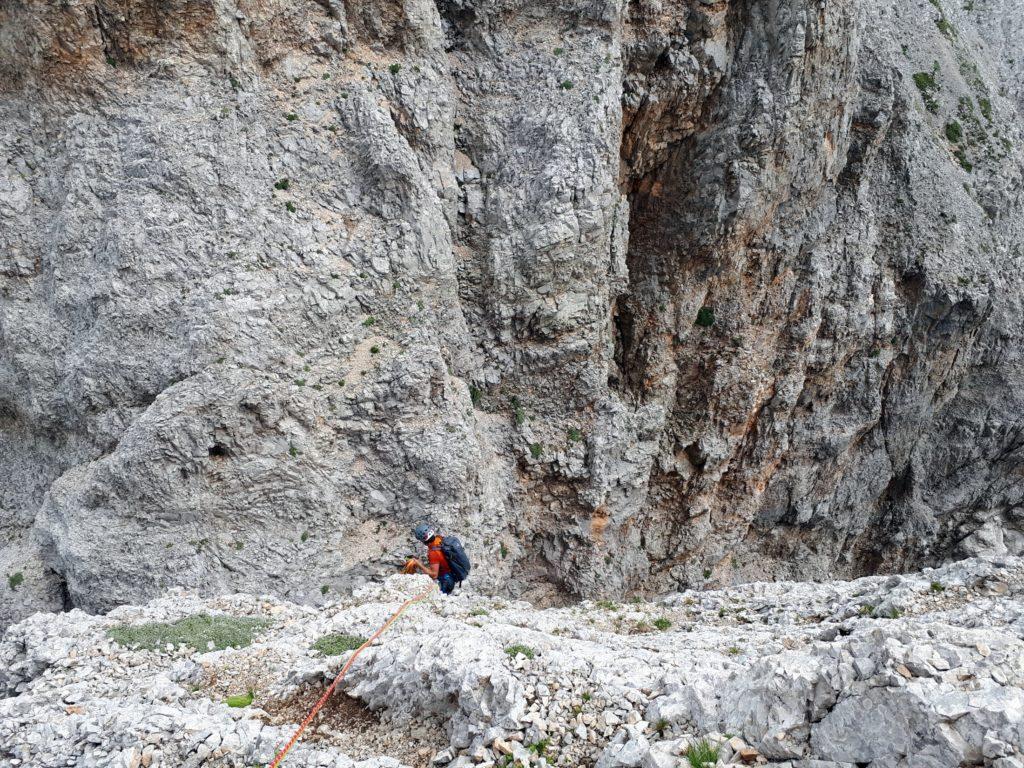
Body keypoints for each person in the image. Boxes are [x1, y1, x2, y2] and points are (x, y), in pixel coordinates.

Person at [403, 523, 458, 594]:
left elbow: (434, 575)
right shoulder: (439, 538)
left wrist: (419, 564)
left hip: (446, 580)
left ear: (423, 540)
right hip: (452, 573)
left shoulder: (433, 553)